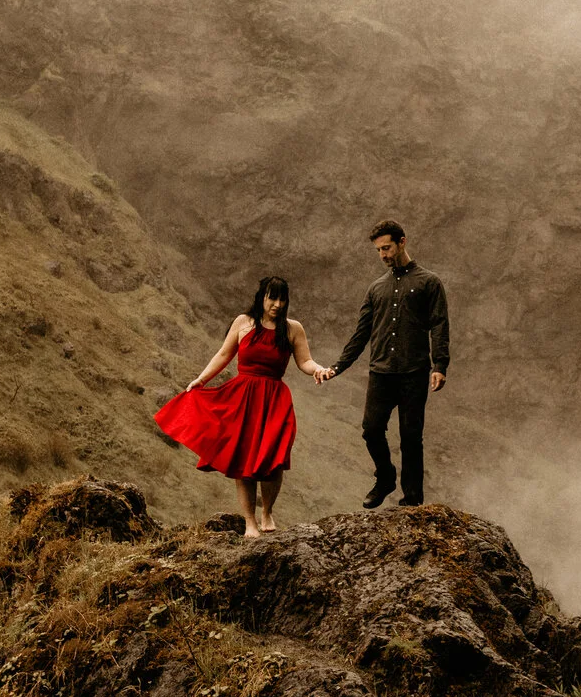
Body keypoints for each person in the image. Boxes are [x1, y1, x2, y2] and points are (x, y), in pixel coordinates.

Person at [154, 275, 332, 537]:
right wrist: (201, 379)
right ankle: (250, 522)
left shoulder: (293, 329)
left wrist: (318, 370)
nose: (277, 304)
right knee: (244, 459)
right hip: (242, 398)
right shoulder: (243, 322)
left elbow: (305, 361)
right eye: (273, 297)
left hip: (274, 400)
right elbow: (224, 354)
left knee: (275, 458)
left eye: (282, 299)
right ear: (262, 297)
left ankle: (267, 511)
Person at [324, 219, 449, 509]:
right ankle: (385, 477)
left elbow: (440, 325)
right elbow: (361, 334)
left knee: (410, 437)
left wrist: (439, 365)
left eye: (387, 247)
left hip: (414, 372)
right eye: (379, 250)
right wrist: (338, 367)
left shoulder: (429, 283)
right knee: (371, 428)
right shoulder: (376, 289)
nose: (383, 255)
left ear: (402, 241)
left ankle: (412, 499)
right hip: (381, 372)